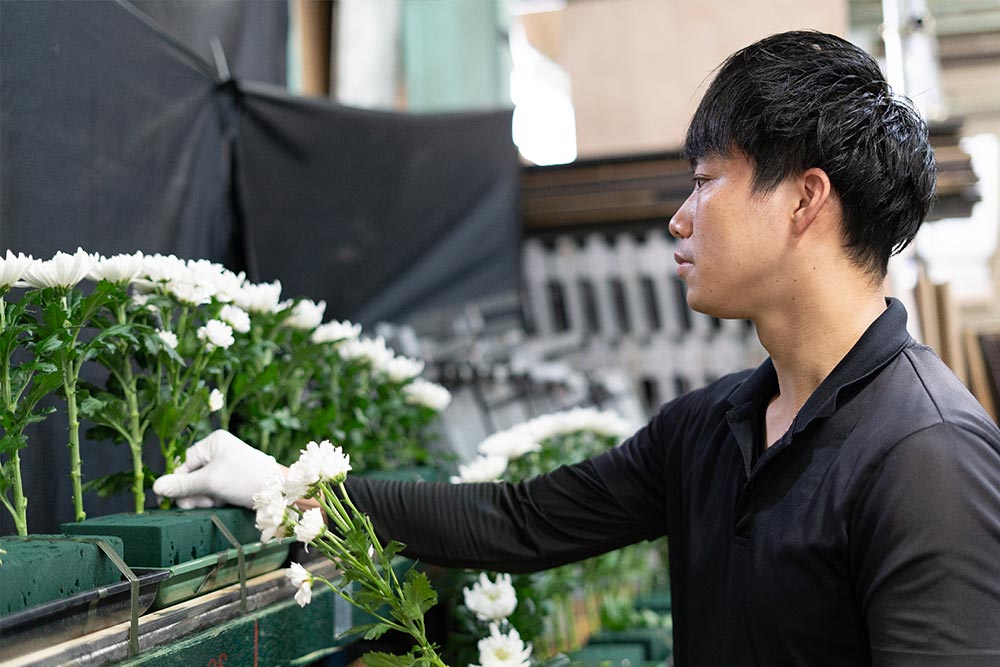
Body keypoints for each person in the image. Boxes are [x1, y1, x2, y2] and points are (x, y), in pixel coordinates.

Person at [153, 30, 1000, 666]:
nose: (679, 215)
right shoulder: (712, 426)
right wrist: (295, 490)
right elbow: (517, 520)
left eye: (706, 181)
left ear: (804, 200)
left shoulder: (925, 455)